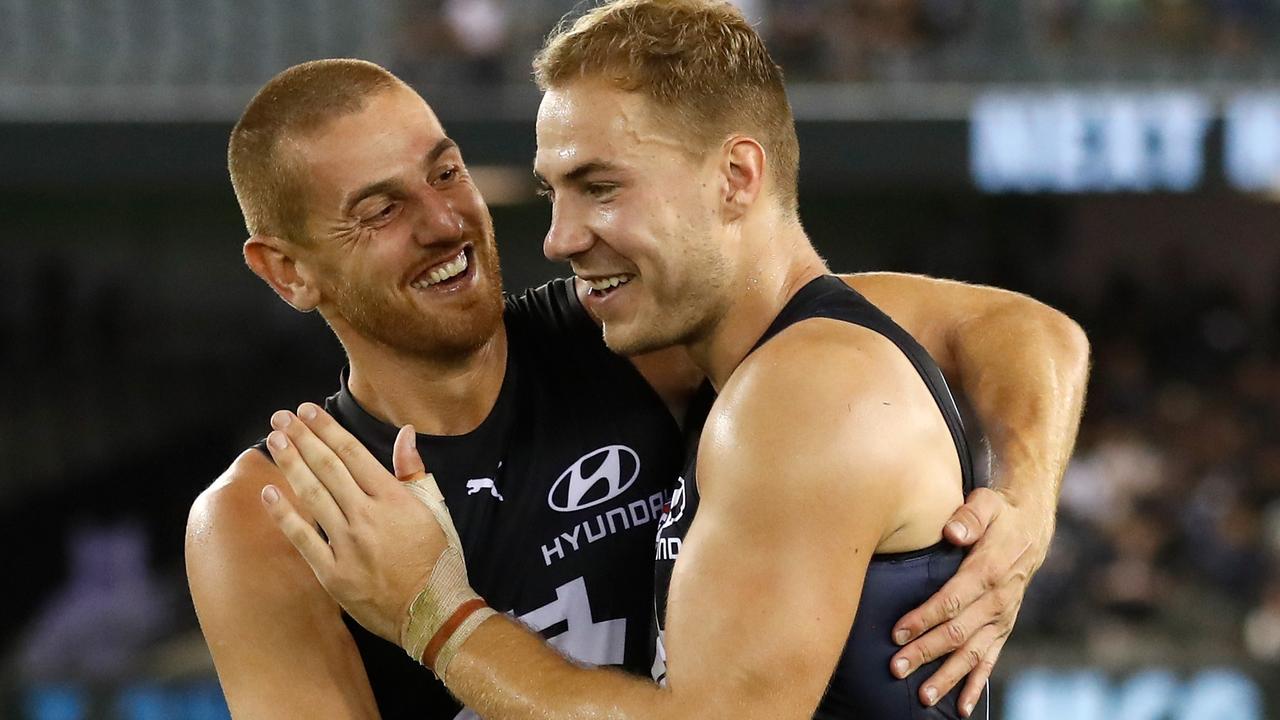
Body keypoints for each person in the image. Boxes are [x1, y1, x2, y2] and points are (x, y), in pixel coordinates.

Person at [190, 48, 1086, 720]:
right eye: (380, 211)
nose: (445, 222)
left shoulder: (637, 330)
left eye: (447, 171)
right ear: (286, 274)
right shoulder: (275, 517)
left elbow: (1020, 330)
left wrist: (1023, 507)